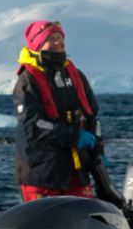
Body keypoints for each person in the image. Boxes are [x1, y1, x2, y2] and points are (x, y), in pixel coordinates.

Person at [13, 20, 104, 202]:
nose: (57, 42)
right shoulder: (28, 81)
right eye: (51, 38)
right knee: (45, 226)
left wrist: (97, 148)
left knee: (83, 220)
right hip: (41, 174)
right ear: (38, 44)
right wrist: (74, 136)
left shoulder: (75, 76)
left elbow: (91, 115)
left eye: (60, 37)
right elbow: (34, 124)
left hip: (76, 172)